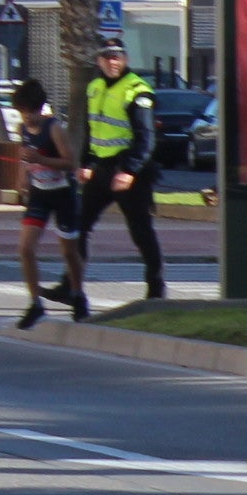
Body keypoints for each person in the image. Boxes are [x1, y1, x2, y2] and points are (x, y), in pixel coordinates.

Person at [77, 38, 164, 300]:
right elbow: (92, 130)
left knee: (140, 230)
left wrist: (129, 171)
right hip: (102, 168)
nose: (112, 62)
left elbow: (146, 137)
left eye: (117, 57)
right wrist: (86, 164)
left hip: (129, 170)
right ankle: (71, 284)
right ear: (98, 61)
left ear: (125, 59)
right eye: (107, 57)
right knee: (77, 226)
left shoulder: (137, 90)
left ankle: (156, 289)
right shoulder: (95, 88)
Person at [9, 78, 90, 330]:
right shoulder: (22, 129)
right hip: (39, 193)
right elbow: (24, 157)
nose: (27, 117)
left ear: (40, 108)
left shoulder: (54, 128)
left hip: (63, 193)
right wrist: (22, 178)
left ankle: (77, 294)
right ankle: (35, 303)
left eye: (31, 112)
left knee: (68, 251)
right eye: (23, 112)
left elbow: (70, 163)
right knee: (25, 248)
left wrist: (41, 159)